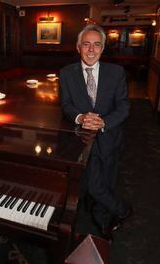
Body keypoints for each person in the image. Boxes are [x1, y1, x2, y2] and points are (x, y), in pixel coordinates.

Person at [59, 24, 131, 240]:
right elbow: (66, 105)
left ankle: (103, 220)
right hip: (81, 139)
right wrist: (81, 118)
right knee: (89, 182)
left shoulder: (116, 72)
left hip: (109, 137)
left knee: (105, 181)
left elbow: (124, 106)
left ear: (102, 48)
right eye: (86, 44)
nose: (91, 49)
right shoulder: (66, 73)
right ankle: (122, 210)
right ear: (78, 47)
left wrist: (103, 122)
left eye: (96, 45)